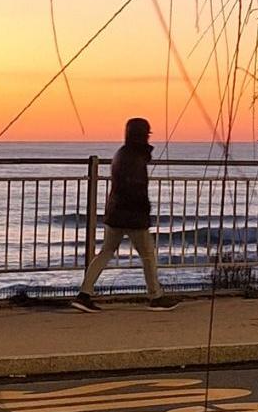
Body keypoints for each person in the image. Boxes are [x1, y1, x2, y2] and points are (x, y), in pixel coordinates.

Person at [72, 118, 178, 312]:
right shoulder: (135, 158)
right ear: (141, 136)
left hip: (116, 213)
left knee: (105, 252)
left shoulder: (122, 154)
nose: (148, 137)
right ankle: (155, 296)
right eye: (146, 134)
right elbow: (136, 189)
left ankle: (84, 294)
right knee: (147, 255)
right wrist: (144, 213)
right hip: (132, 215)